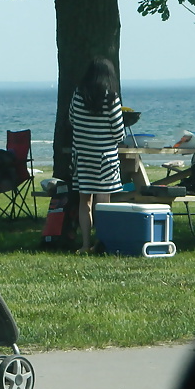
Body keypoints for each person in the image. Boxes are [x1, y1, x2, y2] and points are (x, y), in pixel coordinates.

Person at [68, 58, 125, 254]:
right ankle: (103, 242)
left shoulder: (78, 95)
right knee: (104, 201)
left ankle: (85, 244)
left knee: (85, 202)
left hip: (83, 156)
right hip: (105, 158)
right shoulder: (111, 98)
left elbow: (72, 119)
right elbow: (118, 131)